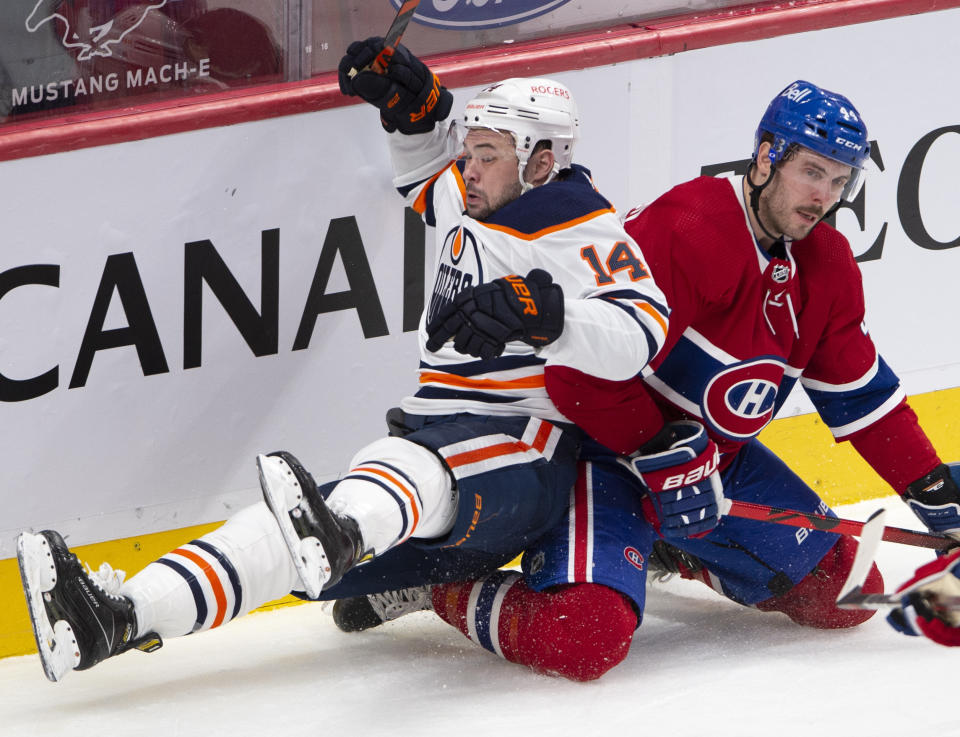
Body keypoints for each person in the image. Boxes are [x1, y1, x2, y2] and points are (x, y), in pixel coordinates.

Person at [16, 39, 674, 682]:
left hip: (525, 452)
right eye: (470, 151)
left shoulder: (584, 229)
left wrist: (548, 312)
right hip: (435, 448)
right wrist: (417, 114)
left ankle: (351, 528)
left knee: (398, 481)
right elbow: (425, 181)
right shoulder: (481, 199)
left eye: (487, 154)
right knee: (286, 549)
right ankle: (117, 616)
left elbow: (641, 329)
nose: (467, 168)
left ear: (540, 163)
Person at [331, 79, 960, 681]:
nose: (823, 195)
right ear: (767, 157)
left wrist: (933, 491)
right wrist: (656, 454)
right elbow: (577, 372)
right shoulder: (690, 227)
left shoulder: (826, 262)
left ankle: (670, 547)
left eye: (839, 179)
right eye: (812, 172)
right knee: (582, 638)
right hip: (603, 455)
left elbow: (860, 392)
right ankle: (442, 585)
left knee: (843, 594)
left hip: (713, 463)